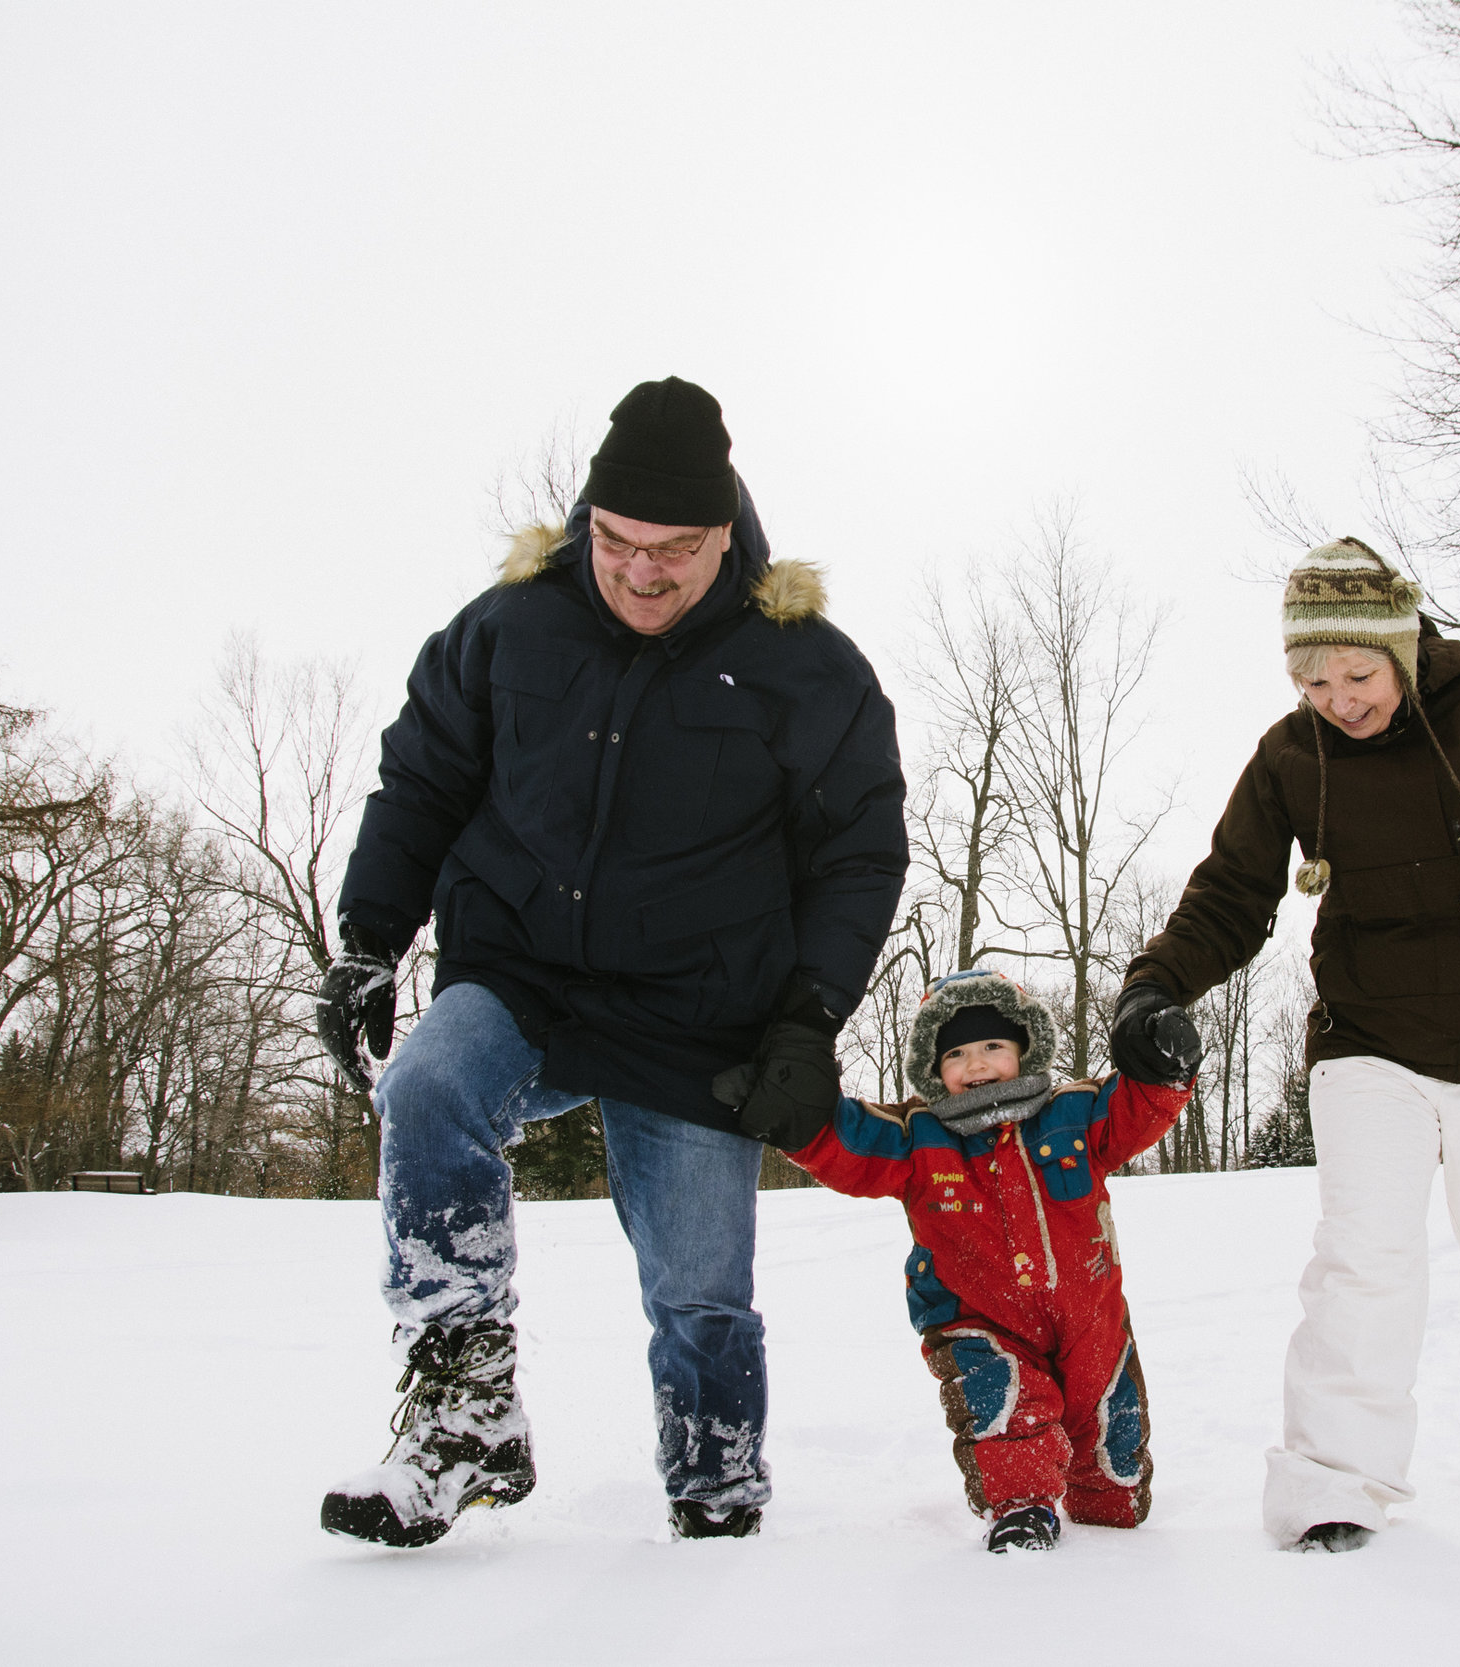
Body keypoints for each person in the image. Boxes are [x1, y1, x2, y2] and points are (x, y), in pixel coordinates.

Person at [312, 377, 907, 1548]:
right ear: (586, 519)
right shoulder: (509, 625)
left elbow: (860, 850)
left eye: (675, 550)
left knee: (698, 1293)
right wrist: (369, 942)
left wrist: (806, 1017)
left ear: (726, 533)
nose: (641, 571)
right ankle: (465, 1409)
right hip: (523, 973)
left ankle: (716, 1484)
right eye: (616, 541)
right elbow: (422, 780)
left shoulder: (806, 667)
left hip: (699, 1013)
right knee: (427, 1087)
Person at [1109, 536, 1460, 1552]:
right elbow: (1231, 893)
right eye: (1312, 677)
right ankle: (1334, 1480)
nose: (1337, 697)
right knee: (1363, 1261)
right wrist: (1155, 984)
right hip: (1369, 1041)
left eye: (1356, 673)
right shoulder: (1289, 755)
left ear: (1402, 649)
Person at [768, 970, 1197, 1552]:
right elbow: (849, 1148)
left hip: (1088, 1317)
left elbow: (1134, 1109)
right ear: (933, 1069)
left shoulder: (1071, 1113)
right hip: (978, 1318)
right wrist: (800, 1115)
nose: (977, 1064)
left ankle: (1109, 1517)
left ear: (1024, 1048)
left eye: (993, 1046)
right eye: (958, 1054)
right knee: (1003, 1406)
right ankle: (1022, 1509)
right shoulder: (918, 1137)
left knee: (1109, 1437)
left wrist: (1163, 1069)